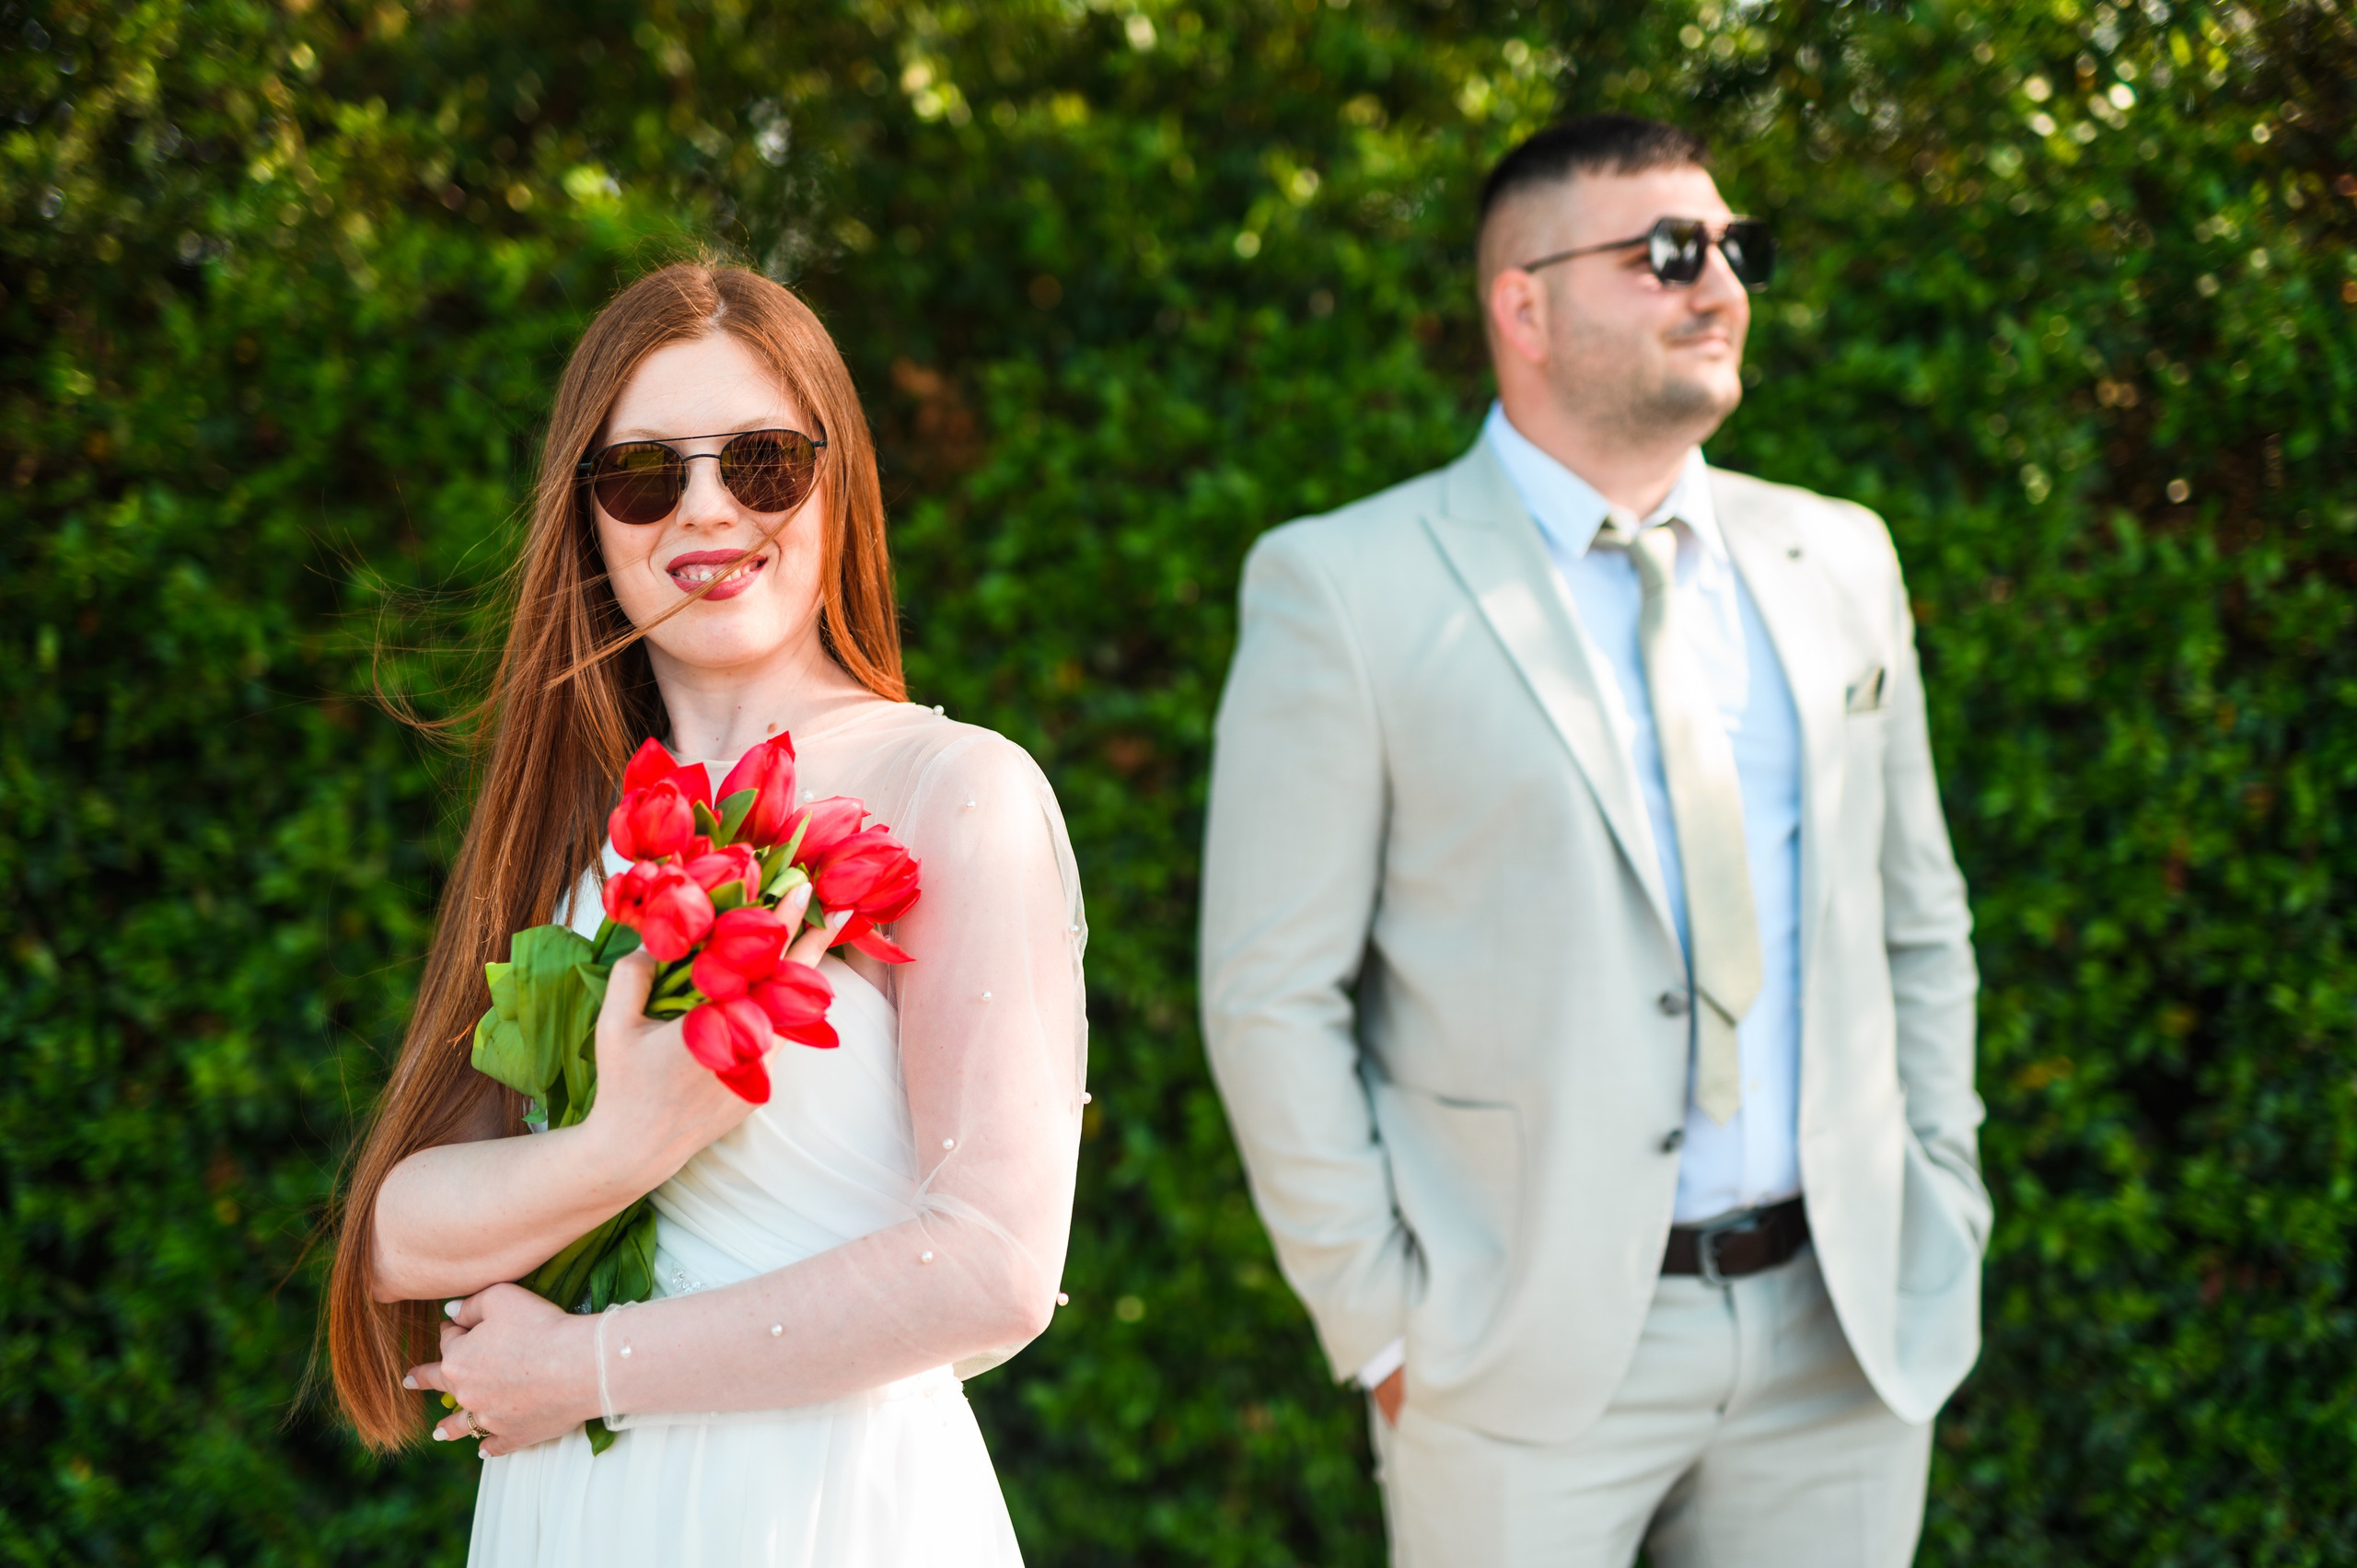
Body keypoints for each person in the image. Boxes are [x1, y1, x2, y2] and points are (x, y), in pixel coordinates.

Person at [1199, 114, 1984, 1567]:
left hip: (1845, 1336)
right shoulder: (1345, 587)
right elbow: (1269, 993)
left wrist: (1945, 1188)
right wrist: (1377, 1321)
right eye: (1670, 252)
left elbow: (1917, 919)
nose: (1723, 286)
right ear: (1525, 305)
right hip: (1513, 1363)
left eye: (1733, 249)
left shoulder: (1842, 556)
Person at [325, 262, 1088, 1566]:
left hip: (825, 1512)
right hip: (574, 1517)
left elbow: (993, 1271)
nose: (707, 509)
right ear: (590, 521)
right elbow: (396, 1237)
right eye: (644, 474)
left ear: (835, 483)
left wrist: (593, 1368)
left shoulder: (956, 789)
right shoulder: (573, 834)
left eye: (762, 462)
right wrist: (617, 1148)